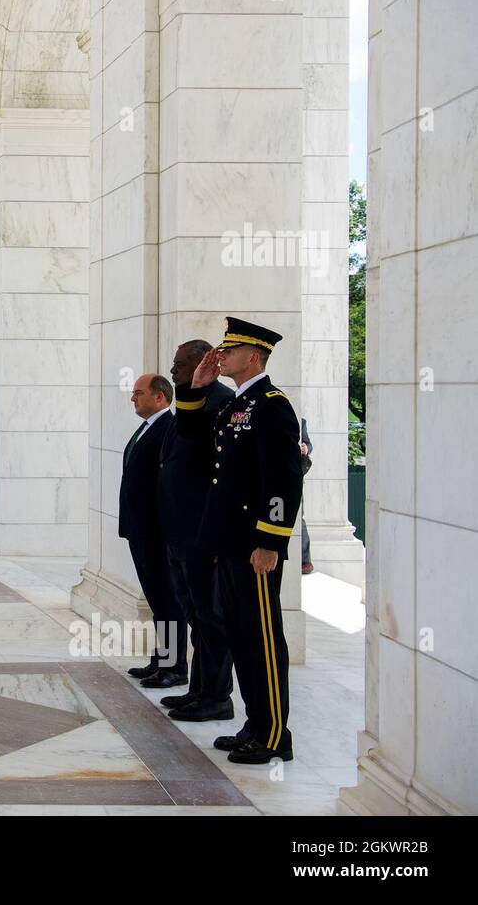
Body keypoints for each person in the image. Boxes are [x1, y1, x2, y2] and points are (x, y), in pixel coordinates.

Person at [174, 318, 303, 764]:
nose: (220, 355)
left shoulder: (272, 405)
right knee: (243, 637)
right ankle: (255, 725)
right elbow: (192, 438)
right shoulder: (235, 405)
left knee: (262, 639)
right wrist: (194, 390)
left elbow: (283, 480)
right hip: (228, 543)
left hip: (255, 548)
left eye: (230, 351)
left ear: (254, 356)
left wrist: (270, 541)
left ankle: (273, 737)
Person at [158, 340, 235, 722]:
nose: (172, 371)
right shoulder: (192, 401)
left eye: (178, 364)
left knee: (212, 617)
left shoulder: (220, 400)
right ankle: (199, 690)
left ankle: (217, 696)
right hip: (181, 533)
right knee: (195, 615)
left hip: (202, 535)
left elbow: (221, 475)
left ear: (202, 361)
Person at [118, 373, 185, 688]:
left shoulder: (167, 428)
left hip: (157, 533)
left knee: (168, 599)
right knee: (157, 598)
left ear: (160, 397)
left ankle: (174, 666)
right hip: (139, 529)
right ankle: (160, 660)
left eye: (139, 392)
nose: (133, 398)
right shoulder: (147, 428)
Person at [299, 417, 314, 574]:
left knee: (300, 517)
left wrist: (306, 449)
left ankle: (305, 560)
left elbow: (309, 444)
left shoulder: (301, 421)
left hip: (296, 474)